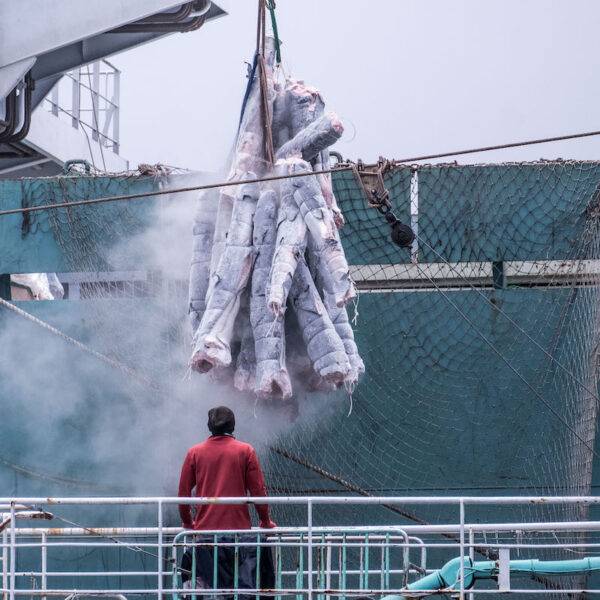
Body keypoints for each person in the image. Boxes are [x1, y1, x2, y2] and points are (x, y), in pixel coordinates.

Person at [178, 406, 276, 598]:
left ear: (209, 426)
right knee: (242, 590)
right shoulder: (246, 451)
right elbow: (258, 492)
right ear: (233, 426)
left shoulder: (195, 452)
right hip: (240, 537)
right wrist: (265, 521)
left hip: (206, 537)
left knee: (207, 588)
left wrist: (188, 523)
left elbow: (183, 495)